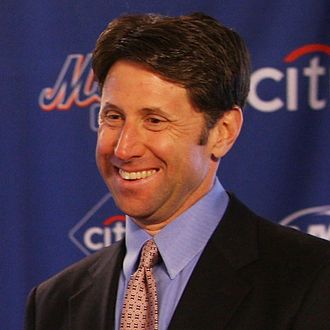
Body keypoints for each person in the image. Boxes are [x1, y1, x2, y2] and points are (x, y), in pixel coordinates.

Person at [25, 13, 330, 330]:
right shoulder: (54, 302)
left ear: (222, 132)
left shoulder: (312, 279)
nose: (124, 149)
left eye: (154, 121)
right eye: (113, 117)